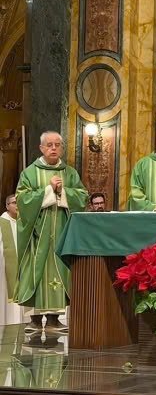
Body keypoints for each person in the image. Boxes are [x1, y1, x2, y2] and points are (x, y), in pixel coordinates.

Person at [14, 131, 88, 332]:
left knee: (60, 268)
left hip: (62, 231)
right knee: (35, 270)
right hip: (37, 234)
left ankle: (55, 319)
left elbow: (82, 196)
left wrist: (63, 192)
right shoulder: (30, 172)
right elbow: (22, 199)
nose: (54, 148)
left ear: (62, 148)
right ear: (41, 148)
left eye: (57, 145)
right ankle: (35, 319)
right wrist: (48, 190)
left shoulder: (70, 173)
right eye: (49, 145)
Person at [0, 194, 22, 324]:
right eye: (14, 203)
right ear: (7, 206)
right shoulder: (2, 222)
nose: (17, 205)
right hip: (4, 267)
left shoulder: (23, 221)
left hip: (22, 265)